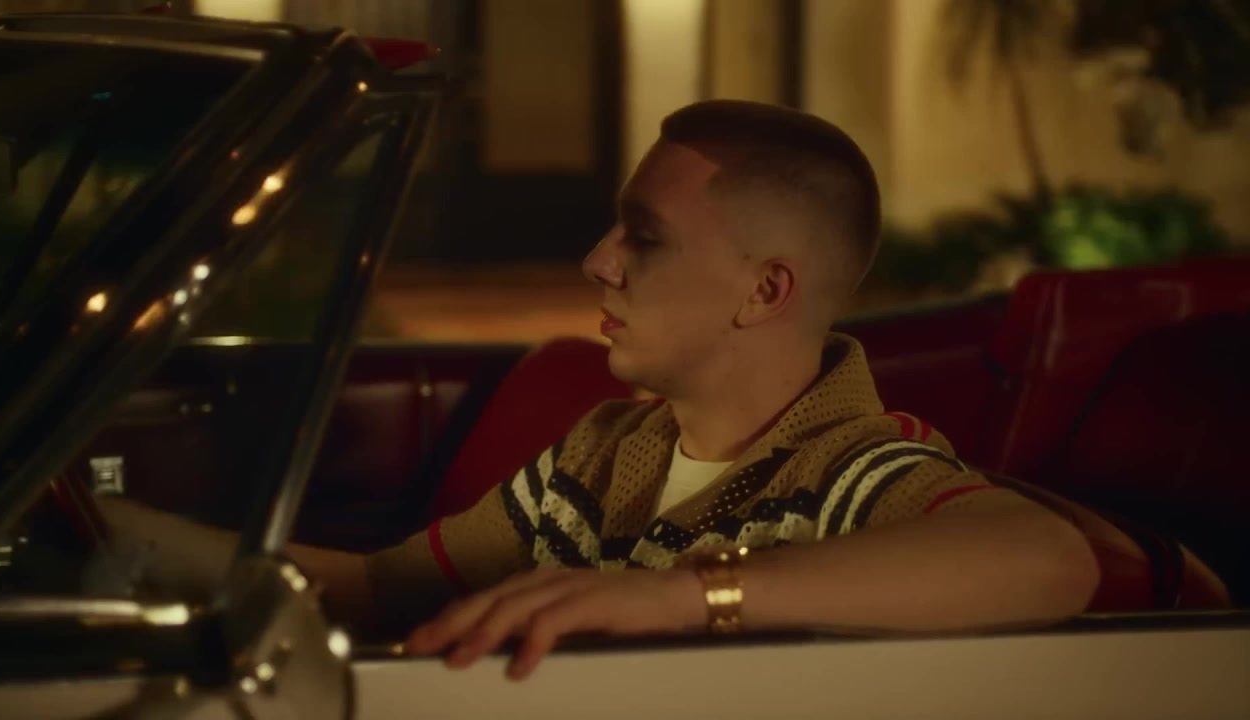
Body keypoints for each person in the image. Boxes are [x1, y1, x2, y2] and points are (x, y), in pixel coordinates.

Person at [104, 100, 1099, 681]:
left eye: (644, 238)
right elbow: (373, 589)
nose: (597, 261)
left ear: (765, 291)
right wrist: (99, 528)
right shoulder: (607, 447)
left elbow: (1048, 560)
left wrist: (679, 597)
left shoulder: (851, 467)